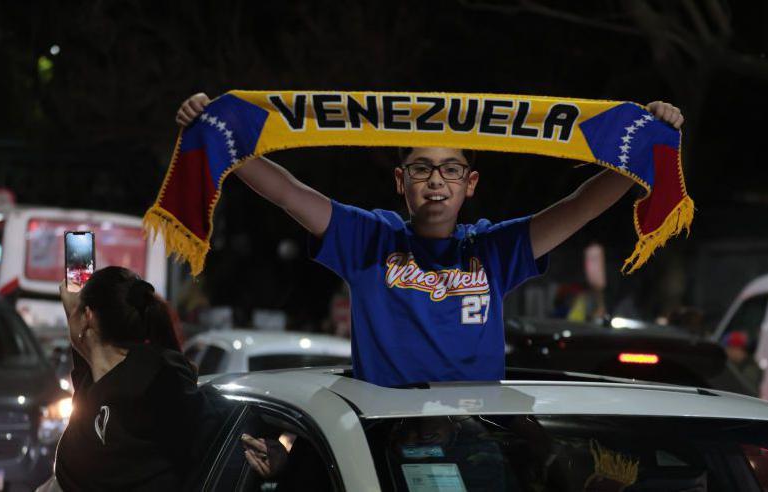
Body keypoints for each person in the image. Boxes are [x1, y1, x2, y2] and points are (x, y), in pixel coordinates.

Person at [176, 94, 684, 387]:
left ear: (470, 183)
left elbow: (578, 207)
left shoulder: (494, 250)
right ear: (400, 181)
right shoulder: (368, 238)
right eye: (421, 168)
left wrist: (643, 145)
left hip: (479, 437)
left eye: (450, 169)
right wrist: (225, 139)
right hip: (384, 439)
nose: (436, 180)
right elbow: (289, 193)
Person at [51, 266, 221, 491]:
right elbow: (87, 354)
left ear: (88, 316)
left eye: (77, 310)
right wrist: (75, 311)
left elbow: (208, 427)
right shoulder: (96, 380)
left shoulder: (157, 379)